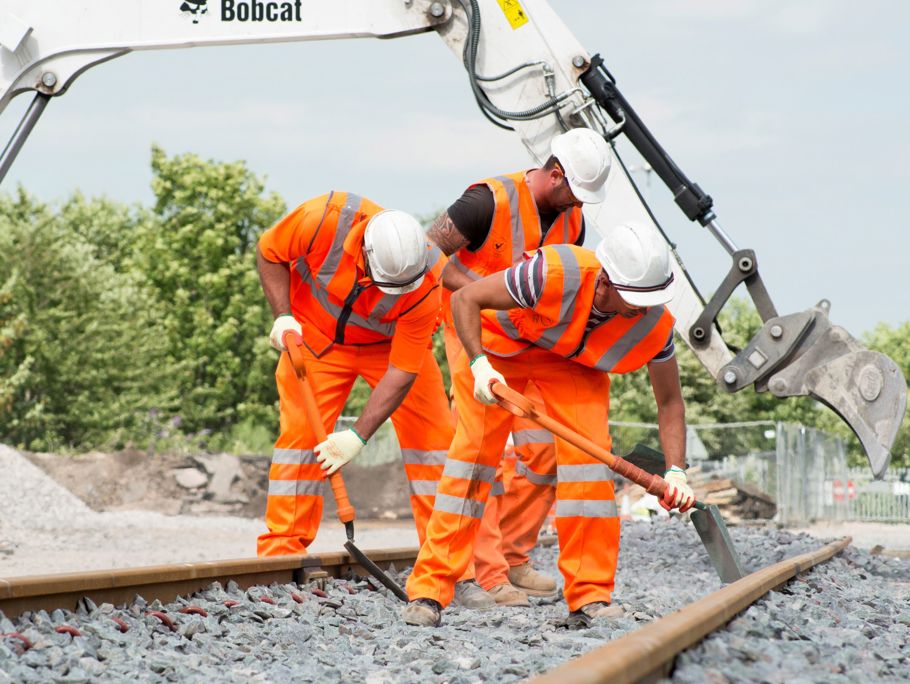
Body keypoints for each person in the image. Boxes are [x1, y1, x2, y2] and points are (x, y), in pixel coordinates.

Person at [403, 222, 696, 627]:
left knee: (588, 474)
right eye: (634, 302)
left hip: (570, 365)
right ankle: (429, 590)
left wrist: (677, 470)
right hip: (499, 352)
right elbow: (466, 298)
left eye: (649, 303)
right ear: (606, 281)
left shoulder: (653, 325)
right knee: (471, 461)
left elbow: (670, 402)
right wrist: (479, 365)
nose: (642, 312)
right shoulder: (550, 272)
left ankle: (590, 597)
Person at [426, 127, 613, 608]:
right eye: (576, 192)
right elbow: (429, 256)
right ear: (555, 174)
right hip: (476, 337)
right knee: (479, 453)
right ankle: (481, 573)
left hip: (534, 343)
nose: (581, 204)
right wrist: (486, 297)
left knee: (546, 452)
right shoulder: (485, 202)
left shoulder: (573, 221)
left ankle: (512, 554)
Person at [255, 191, 453, 557]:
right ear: (365, 254)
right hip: (315, 339)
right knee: (299, 443)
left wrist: (357, 436)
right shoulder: (322, 219)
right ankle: (282, 553)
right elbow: (269, 253)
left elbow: (404, 369)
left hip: (391, 349)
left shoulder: (429, 279)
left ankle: (445, 559)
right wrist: (283, 315)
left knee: (436, 443)